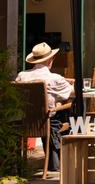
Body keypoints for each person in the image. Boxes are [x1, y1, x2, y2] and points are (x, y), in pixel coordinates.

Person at [16, 42, 74, 172]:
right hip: (46, 121)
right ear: (50, 60)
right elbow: (73, 92)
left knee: (51, 112)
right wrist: (67, 83)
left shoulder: (21, 76)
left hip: (26, 121)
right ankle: (58, 164)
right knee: (66, 111)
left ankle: (21, 168)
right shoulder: (54, 79)